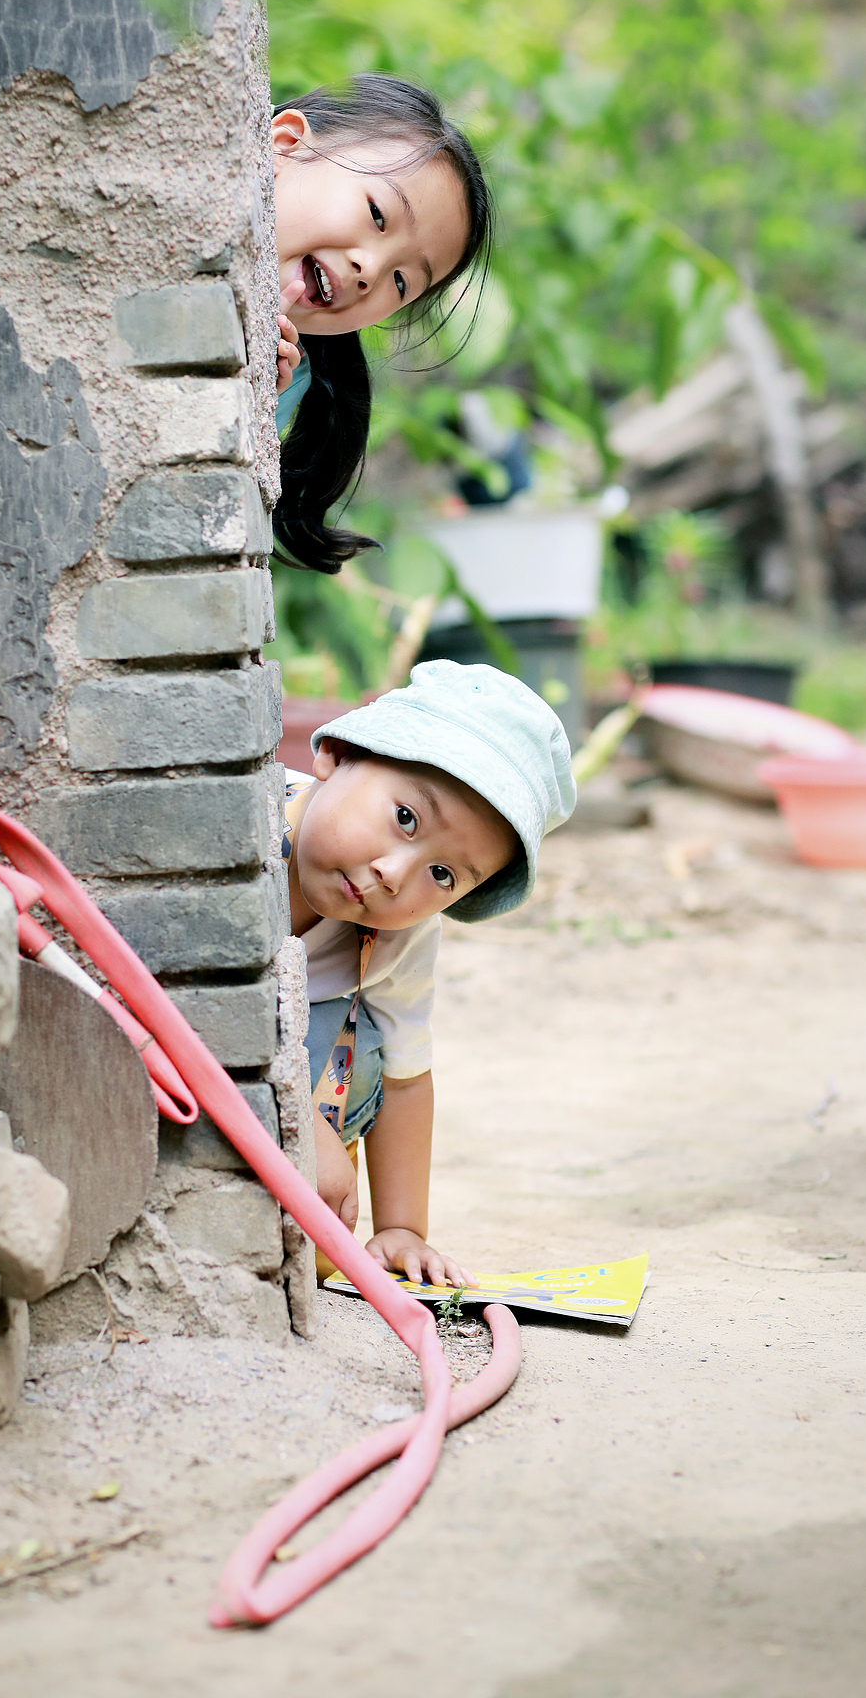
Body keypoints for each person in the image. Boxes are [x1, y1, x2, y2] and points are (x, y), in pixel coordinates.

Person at [283, 660, 575, 1287]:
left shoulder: (399, 935)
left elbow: (407, 1079)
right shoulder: (218, 837)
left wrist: (401, 1230)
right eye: (407, 819)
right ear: (336, 752)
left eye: (443, 875)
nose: (396, 873)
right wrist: (289, 1125)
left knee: (366, 1041)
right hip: (187, 1083)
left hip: (312, 1143)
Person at [270, 76, 493, 573]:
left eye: (401, 280)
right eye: (377, 213)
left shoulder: (288, 373)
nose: (370, 271)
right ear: (285, 144)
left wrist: (255, 398)